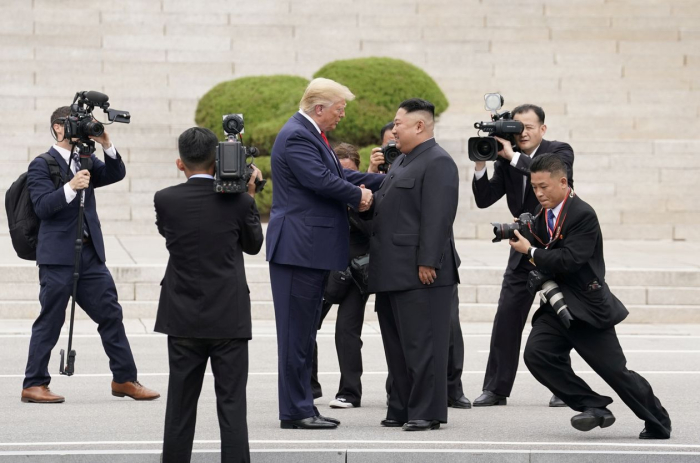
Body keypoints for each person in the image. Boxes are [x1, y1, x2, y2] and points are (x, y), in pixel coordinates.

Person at [509, 153, 671, 439]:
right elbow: (545, 248)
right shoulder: (541, 212)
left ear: (563, 182)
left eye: (544, 186)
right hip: (556, 304)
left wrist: (530, 251)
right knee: (538, 356)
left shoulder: (583, 213)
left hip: (586, 307)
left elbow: (570, 260)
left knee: (615, 372)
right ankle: (594, 406)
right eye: (535, 187)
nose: (539, 193)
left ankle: (658, 420)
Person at [266, 78, 383, 430]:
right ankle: (296, 411)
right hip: (297, 249)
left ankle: (304, 406)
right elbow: (321, 180)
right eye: (339, 109)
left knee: (303, 335)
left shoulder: (311, 134)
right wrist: (359, 196)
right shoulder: (298, 135)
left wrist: (389, 180)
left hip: (307, 249)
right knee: (295, 335)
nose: (342, 116)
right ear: (319, 108)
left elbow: (339, 174)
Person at [21, 106, 159, 403]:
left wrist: (106, 143)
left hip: (89, 255)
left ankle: (124, 379)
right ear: (58, 128)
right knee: (50, 320)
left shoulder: (86, 159)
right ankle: (34, 383)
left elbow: (115, 173)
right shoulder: (41, 164)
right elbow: (43, 206)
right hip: (57, 257)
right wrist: (71, 186)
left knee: (111, 314)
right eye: (74, 124)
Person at [154, 127, 264, 462]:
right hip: (228, 317)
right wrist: (248, 193)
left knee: (179, 407)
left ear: (179, 163)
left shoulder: (165, 199)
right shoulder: (240, 201)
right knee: (232, 406)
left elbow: (167, 233)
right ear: (217, 162)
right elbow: (254, 245)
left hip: (182, 315)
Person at [471, 104, 574, 408]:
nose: (523, 133)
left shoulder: (559, 151)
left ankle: (563, 387)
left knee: (560, 317)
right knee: (507, 316)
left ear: (542, 129)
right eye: (518, 127)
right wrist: (481, 161)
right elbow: (484, 199)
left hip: (557, 244)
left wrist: (512, 156)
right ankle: (496, 389)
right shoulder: (507, 158)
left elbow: (543, 170)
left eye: (529, 127)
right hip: (521, 244)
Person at [368, 98, 460, 431]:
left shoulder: (438, 161)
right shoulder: (403, 162)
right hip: (391, 271)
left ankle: (426, 411)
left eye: (398, 124)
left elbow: (438, 217)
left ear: (419, 126)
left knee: (423, 346)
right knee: (398, 347)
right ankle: (401, 407)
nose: (393, 130)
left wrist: (428, 261)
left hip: (421, 272)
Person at [310, 143, 372, 409]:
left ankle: (350, 392)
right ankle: (308, 387)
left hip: (356, 272)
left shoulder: (367, 195)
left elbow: (375, 231)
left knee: (347, 332)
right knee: (306, 328)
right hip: (324, 269)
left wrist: (356, 205)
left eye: (350, 173)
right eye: (339, 173)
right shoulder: (321, 190)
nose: (344, 179)